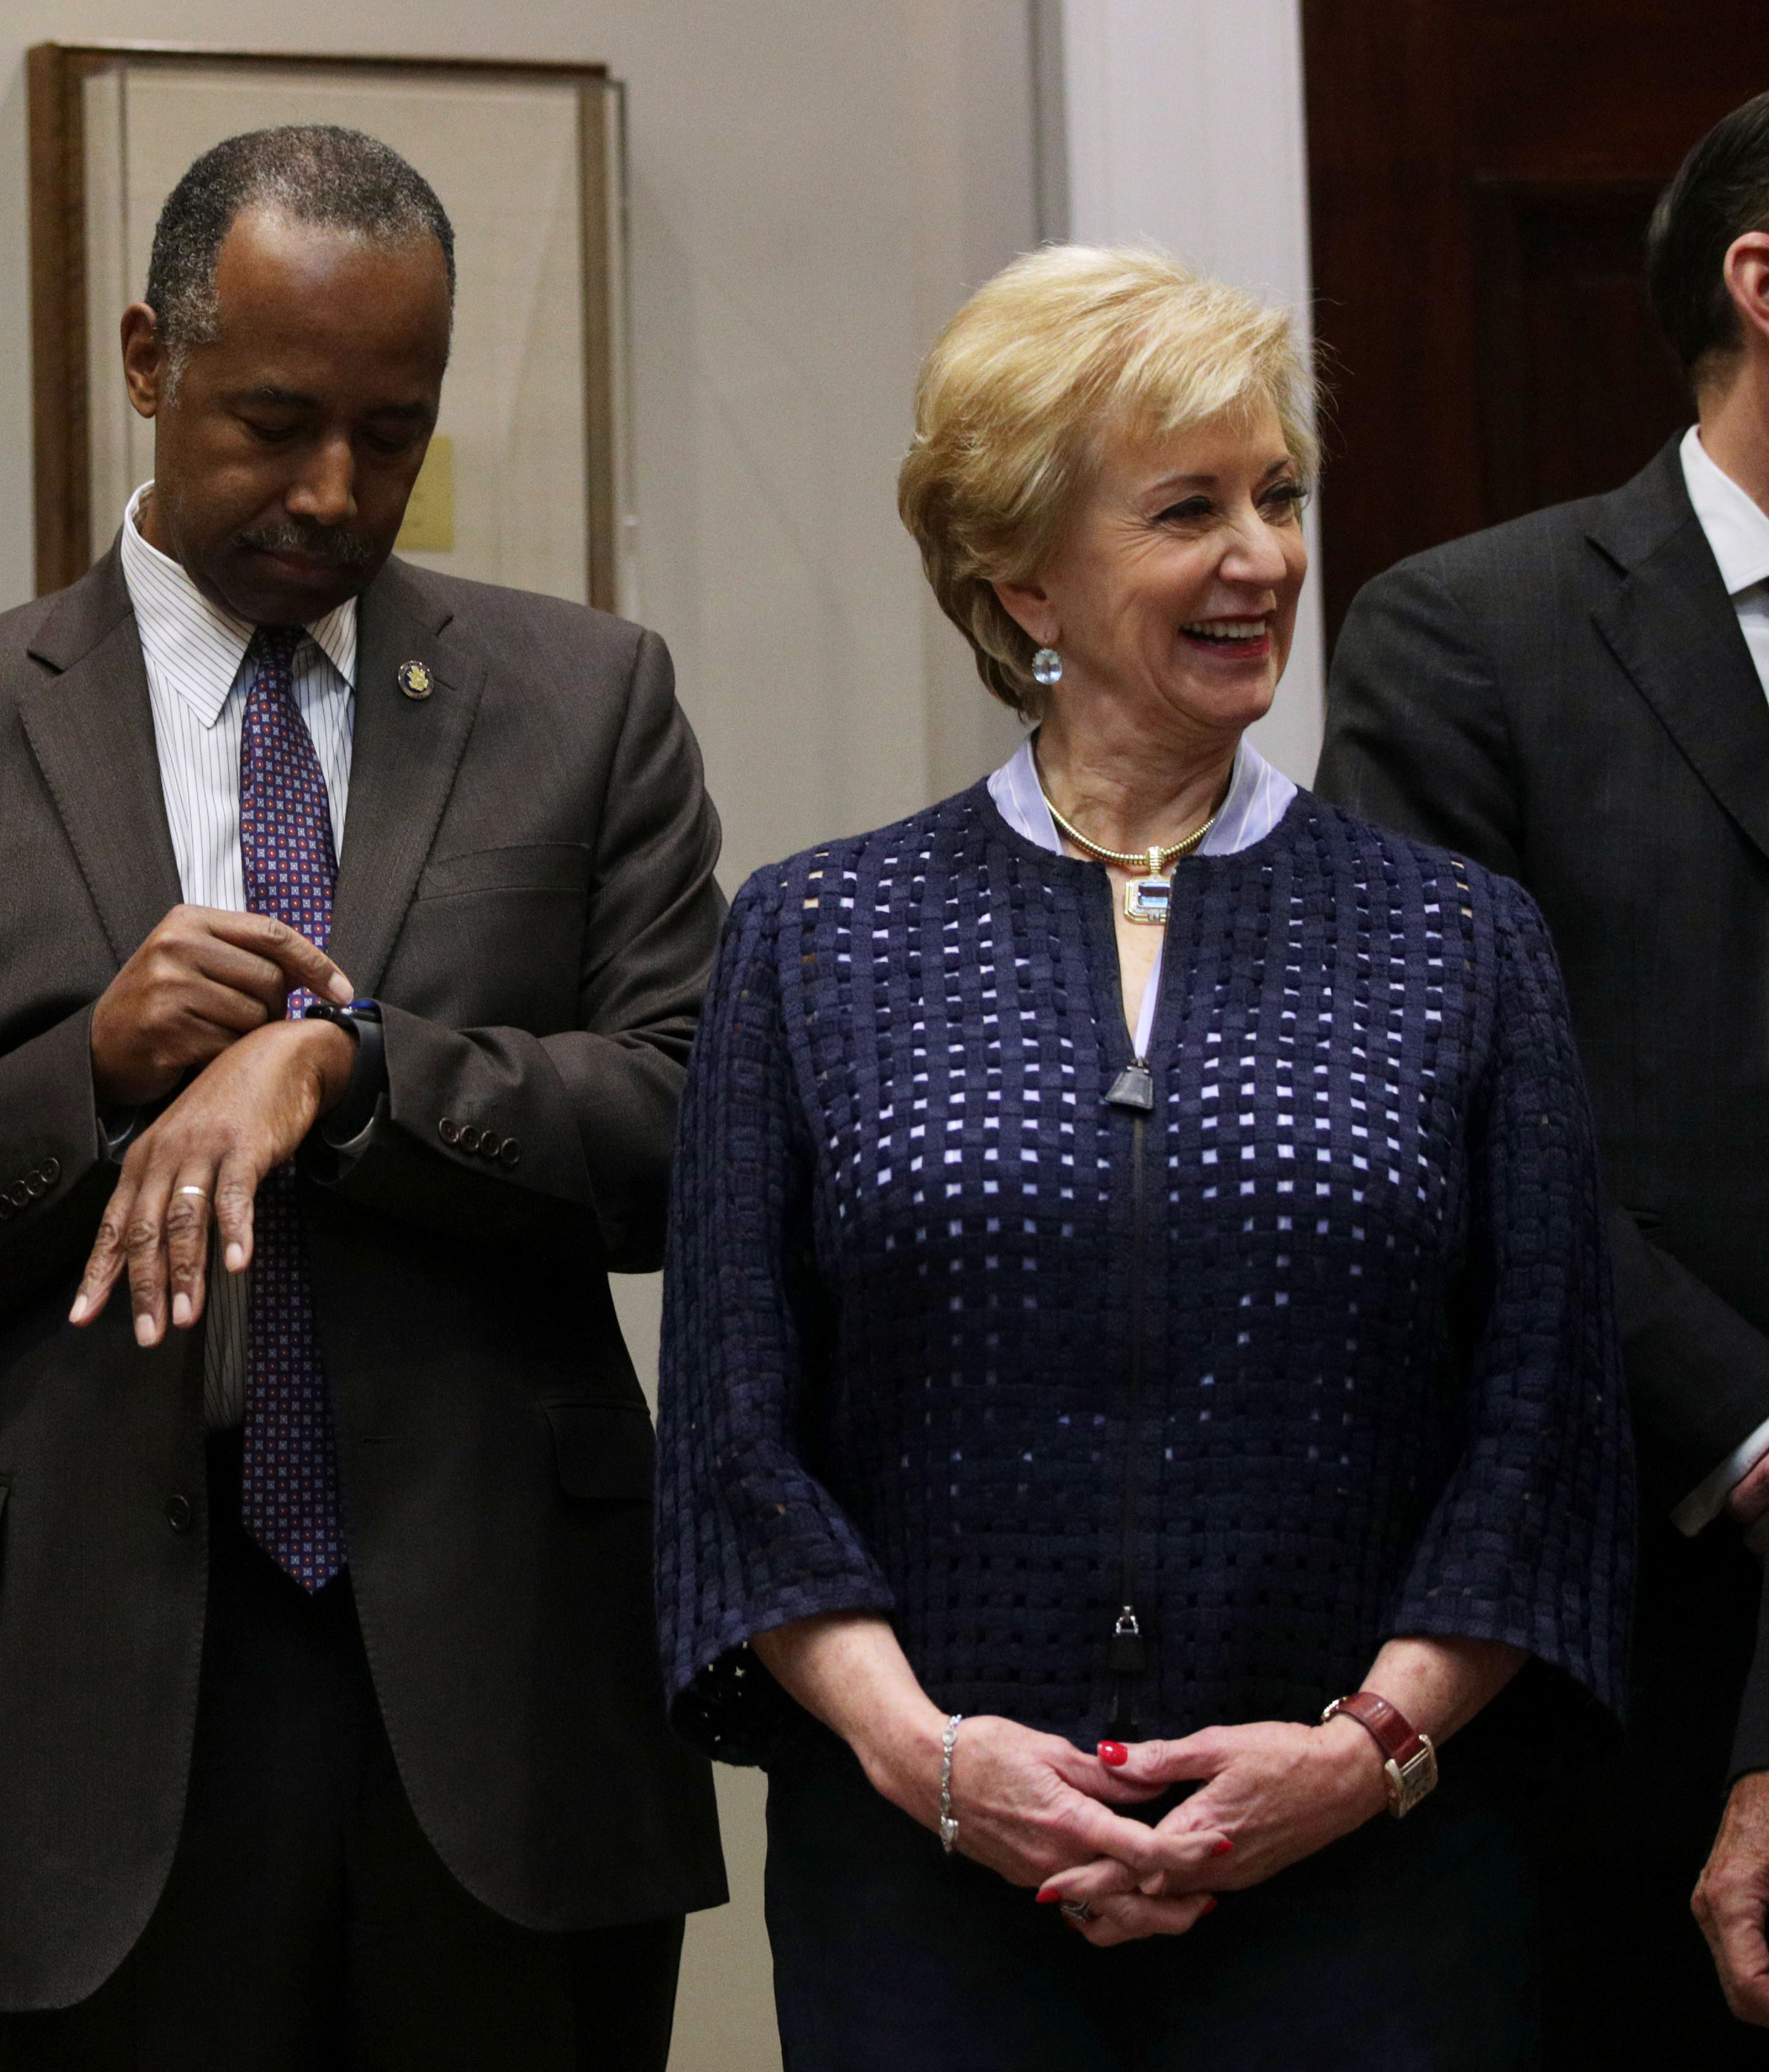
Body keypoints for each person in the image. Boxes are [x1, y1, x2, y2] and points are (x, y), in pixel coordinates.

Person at [0, 125, 726, 2069]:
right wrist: (84, 1075)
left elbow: (694, 1130)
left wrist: (352, 1077)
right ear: (145, 360)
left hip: (508, 1695)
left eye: (394, 429)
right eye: (274, 421)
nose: (333, 490)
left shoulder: (588, 699)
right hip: (105, 1719)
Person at [656, 245, 1636, 2070]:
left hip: (1376, 1896)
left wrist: (1362, 1758)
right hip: (925, 1894)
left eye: (1279, 497)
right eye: (1188, 509)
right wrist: (930, 1759)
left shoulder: (1462, 940)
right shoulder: (814, 939)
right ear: (1022, 573)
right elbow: (733, 1443)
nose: (1262, 558)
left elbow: (1545, 1440)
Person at [1316, 88, 1769, 2059]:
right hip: (1625, 1633)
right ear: (1764, 282)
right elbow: (1438, 1118)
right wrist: (1750, 1435)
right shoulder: (1473, 636)